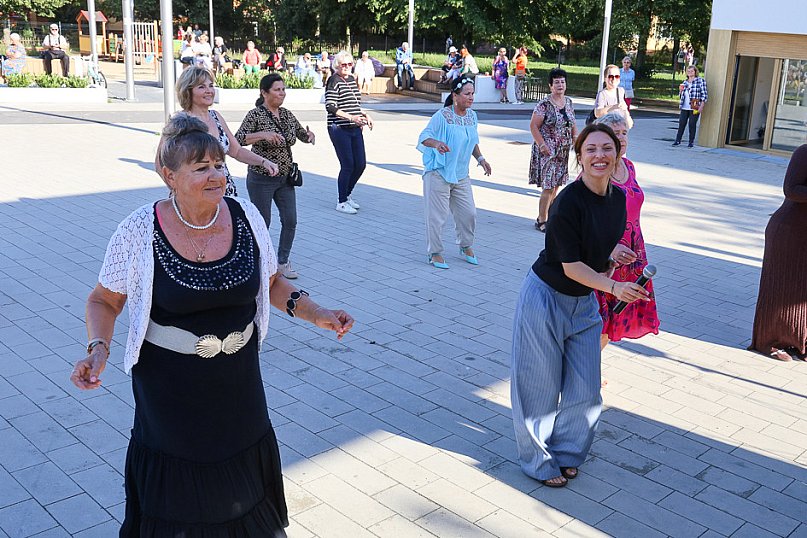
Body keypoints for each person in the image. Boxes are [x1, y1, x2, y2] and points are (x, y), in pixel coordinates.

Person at [70, 111, 354, 538]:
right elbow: (103, 300)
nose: (216, 175)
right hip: (169, 392)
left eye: (219, 164)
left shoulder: (245, 218)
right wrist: (99, 348)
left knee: (242, 495)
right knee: (181, 504)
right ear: (169, 175)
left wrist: (318, 313)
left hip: (238, 383)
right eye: (201, 168)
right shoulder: (138, 230)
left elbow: (272, 282)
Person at [511, 123, 649, 488]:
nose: (600, 155)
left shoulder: (618, 200)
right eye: (591, 149)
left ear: (618, 154)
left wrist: (612, 253)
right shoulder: (566, 202)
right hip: (545, 298)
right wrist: (615, 286)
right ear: (580, 157)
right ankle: (538, 461)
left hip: (584, 302)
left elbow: (593, 248)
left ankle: (569, 452)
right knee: (538, 386)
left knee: (586, 388)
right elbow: (570, 266)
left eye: (607, 148)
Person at [236, 73, 315, 280]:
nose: (282, 93)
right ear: (264, 92)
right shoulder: (255, 115)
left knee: (290, 220)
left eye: (283, 89)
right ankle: (259, 262)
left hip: (285, 178)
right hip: (261, 178)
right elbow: (238, 139)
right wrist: (263, 134)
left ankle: (282, 262)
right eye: (277, 90)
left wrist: (309, 136)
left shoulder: (287, 114)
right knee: (263, 222)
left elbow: (300, 133)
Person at [157, 66, 280, 197]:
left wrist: (264, 162)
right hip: (195, 194)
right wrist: (178, 190)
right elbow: (160, 164)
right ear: (188, 91)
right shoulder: (180, 122)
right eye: (201, 87)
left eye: (211, 86)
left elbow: (237, 151)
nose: (209, 91)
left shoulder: (216, 117)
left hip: (223, 191)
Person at [594, 112, 659, 349]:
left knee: (616, 317)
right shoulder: (598, 169)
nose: (622, 138)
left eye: (625, 133)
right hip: (608, 254)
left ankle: (593, 368)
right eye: (616, 133)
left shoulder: (629, 166)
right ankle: (586, 372)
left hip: (632, 252)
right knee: (600, 319)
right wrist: (609, 248)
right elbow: (587, 217)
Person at [417, 77, 492, 269]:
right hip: (438, 173)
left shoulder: (472, 116)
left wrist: (481, 159)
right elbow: (424, 137)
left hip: (461, 175)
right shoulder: (442, 116)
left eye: (473, 93)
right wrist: (437, 144)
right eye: (467, 93)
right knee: (437, 217)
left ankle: (465, 246)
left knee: (469, 213)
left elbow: (472, 140)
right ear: (455, 95)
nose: (471, 97)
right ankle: (435, 253)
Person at [750, 144, 807, 362]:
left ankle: (800, 342)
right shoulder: (804, 152)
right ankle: (769, 342)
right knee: (781, 290)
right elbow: (791, 189)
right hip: (790, 232)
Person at [529, 68, 578, 232]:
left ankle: (551, 216)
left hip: (563, 151)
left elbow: (572, 124)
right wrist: (542, 144)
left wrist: (576, 140)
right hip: (547, 151)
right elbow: (534, 126)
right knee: (548, 186)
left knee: (556, 186)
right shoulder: (544, 104)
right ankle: (541, 220)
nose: (560, 85)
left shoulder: (569, 102)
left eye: (563, 81)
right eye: (556, 82)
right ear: (550, 85)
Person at [325, 51, 373, 214]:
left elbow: (353, 103)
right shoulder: (333, 80)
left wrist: (364, 114)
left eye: (349, 64)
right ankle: (341, 201)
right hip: (339, 128)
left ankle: (347, 194)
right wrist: (352, 118)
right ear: (336, 65)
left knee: (360, 164)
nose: (346, 67)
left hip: (354, 126)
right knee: (348, 165)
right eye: (343, 64)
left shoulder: (352, 80)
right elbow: (330, 106)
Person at [672, 65, 708, 148]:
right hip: (684, 106)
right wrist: (680, 91)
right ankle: (677, 140)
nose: (690, 73)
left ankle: (691, 142)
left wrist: (701, 106)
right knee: (681, 123)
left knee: (692, 124)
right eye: (688, 71)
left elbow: (704, 94)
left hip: (694, 106)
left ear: (695, 72)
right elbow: (681, 96)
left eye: (692, 71)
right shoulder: (685, 82)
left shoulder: (700, 81)